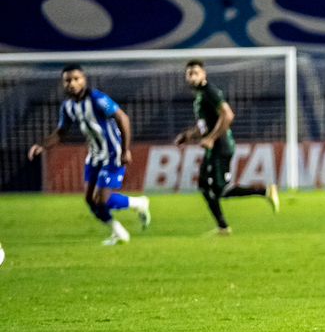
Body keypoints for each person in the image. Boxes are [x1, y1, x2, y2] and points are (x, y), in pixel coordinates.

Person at [26, 65, 151, 245]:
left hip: (113, 153)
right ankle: (119, 232)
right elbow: (61, 132)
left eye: (76, 79)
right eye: (68, 80)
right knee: (90, 200)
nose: (72, 83)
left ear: (84, 80)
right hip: (94, 156)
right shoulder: (68, 106)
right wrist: (42, 145)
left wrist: (125, 150)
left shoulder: (97, 99)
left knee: (101, 198)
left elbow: (123, 118)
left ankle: (138, 203)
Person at [174, 61, 279, 234]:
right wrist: (187, 136)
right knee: (204, 185)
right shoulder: (200, 96)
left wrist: (211, 139)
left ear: (204, 74)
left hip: (220, 147)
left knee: (221, 189)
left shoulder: (210, 92)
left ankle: (265, 191)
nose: (192, 77)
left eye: (196, 73)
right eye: (189, 74)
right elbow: (204, 127)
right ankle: (222, 227)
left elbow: (228, 115)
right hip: (214, 147)